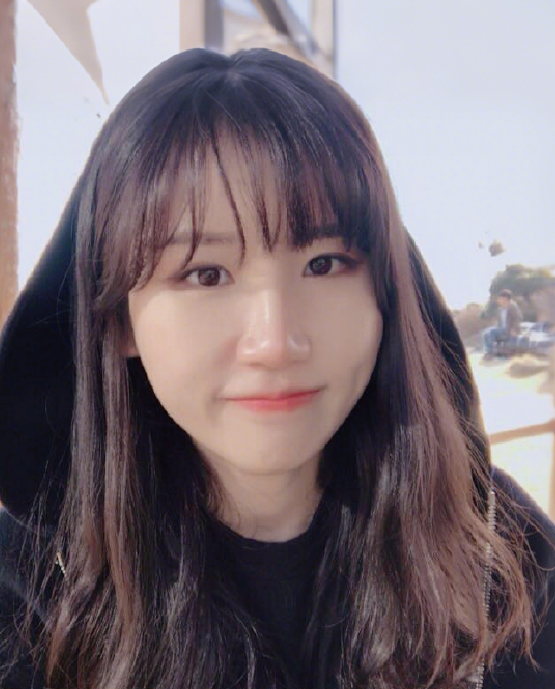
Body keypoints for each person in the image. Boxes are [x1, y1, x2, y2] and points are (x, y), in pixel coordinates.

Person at [0, 48, 554, 689]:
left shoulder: (495, 553)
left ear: (386, 293)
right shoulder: (31, 592)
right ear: (119, 320)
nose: (276, 342)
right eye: (205, 274)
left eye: (325, 264)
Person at [482, 289, 523, 358]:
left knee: (491, 331)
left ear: (505, 299)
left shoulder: (513, 307)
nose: (499, 300)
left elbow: (518, 318)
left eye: (500, 298)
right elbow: (499, 322)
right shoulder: (500, 310)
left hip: (510, 329)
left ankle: (490, 353)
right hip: (501, 329)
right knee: (485, 331)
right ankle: (488, 351)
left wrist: (514, 329)